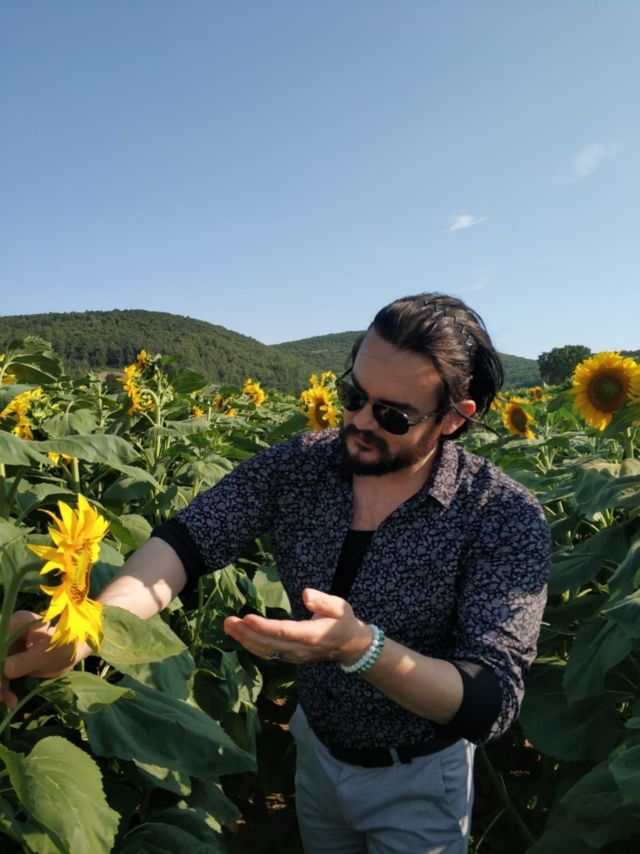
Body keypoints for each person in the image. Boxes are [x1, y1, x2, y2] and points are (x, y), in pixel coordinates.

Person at [2, 293, 550, 854]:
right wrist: (84, 630)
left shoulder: (500, 514)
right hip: (316, 750)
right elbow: (185, 543)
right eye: (353, 395)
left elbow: (491, 700)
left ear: (454, 418)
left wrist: (361, 650)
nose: (359, 421)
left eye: (392, 414)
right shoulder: (302, 465)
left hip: (419, 779)